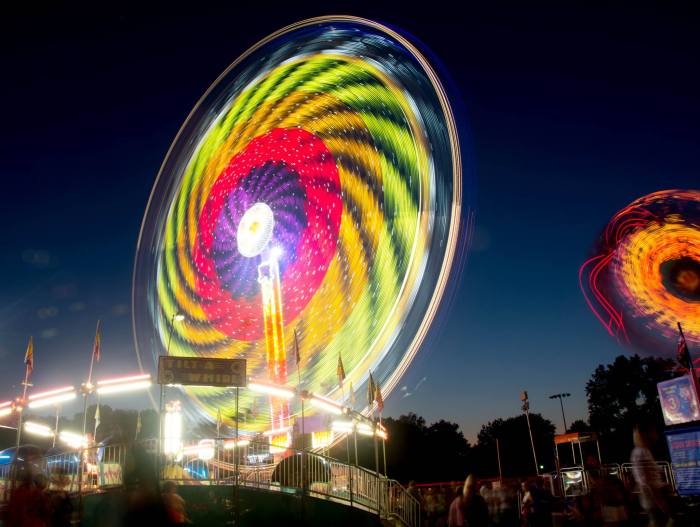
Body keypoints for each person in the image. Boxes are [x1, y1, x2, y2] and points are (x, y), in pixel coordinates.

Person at [630, 425, 668, 527]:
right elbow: (644, 475)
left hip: (651, 489)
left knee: (656, 518)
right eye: (653, 432)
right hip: (651, 490)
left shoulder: (642, 451)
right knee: (657, 518)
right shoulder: (641, 452)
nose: (655, 434)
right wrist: (654, 493)